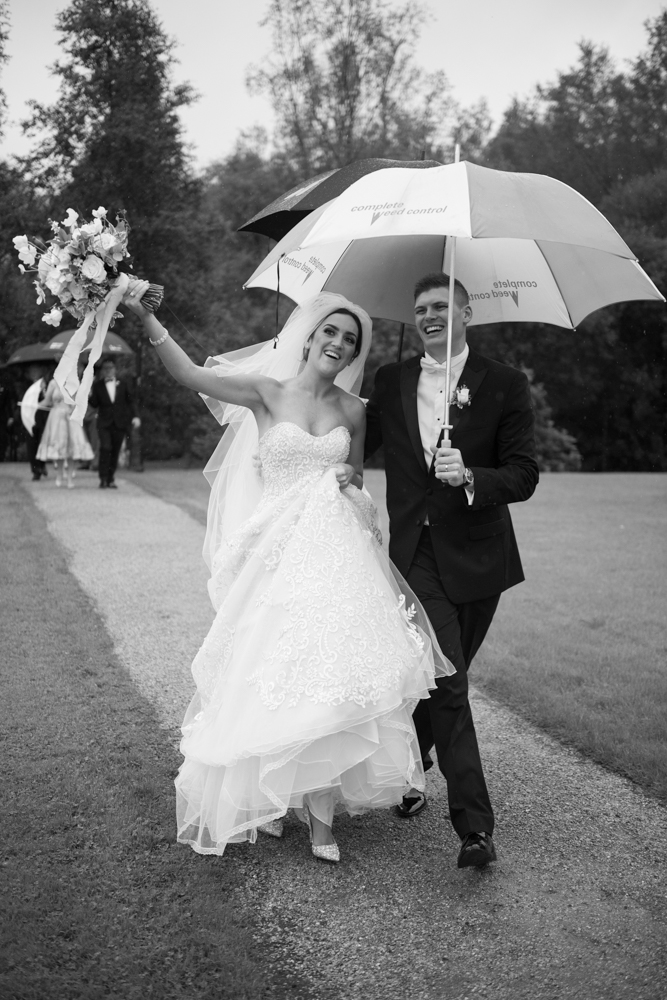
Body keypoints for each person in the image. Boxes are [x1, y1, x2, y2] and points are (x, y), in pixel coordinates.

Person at [124, 285, 453, 863]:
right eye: (331, 332)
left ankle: (322, 820)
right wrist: (146, 319)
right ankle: (271, 791)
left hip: (336, 555)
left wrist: (352, 478)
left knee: (328, 674)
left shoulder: (354, 412)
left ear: (354, 354)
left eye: (350, 340)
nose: (339, 343)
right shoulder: (265, 392)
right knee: (269, 672)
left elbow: (352, 472)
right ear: (310, 335)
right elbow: (189, 376)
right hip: (275, 555)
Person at [361, 273, 539, 869]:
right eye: (421, 309)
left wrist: (470, 476)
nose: (429, 316)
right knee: (451, 683)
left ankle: (411, 761)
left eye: (441, 306)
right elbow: (358, 445)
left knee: (442, 679)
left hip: (483, 559)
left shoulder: (505, 385)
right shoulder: (392, 380)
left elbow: (524, 474)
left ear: (466, 311)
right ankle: (475, 829)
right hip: (415, 557)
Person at [88, 358, 140, 489]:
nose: (108, 370)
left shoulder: (123, 384)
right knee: (105, 447)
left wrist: (136, 416)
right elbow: (94, 403)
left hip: (120, 422)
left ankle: (111, 478)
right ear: (103, 371)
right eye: (106, 368)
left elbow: (131, 401)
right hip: (104, 422)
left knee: (115, 450)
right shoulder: (97, 385)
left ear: (115, 369)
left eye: (111, 368)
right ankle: (103, 477)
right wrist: (89, 394)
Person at [36, 377, 95, 487]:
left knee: (72, 447)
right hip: (57, 418)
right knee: (59, 446)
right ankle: (59, 474)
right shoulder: (53, 383)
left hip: (71, 417)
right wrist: (37, 405)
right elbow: (47, 401)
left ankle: (69, 478)